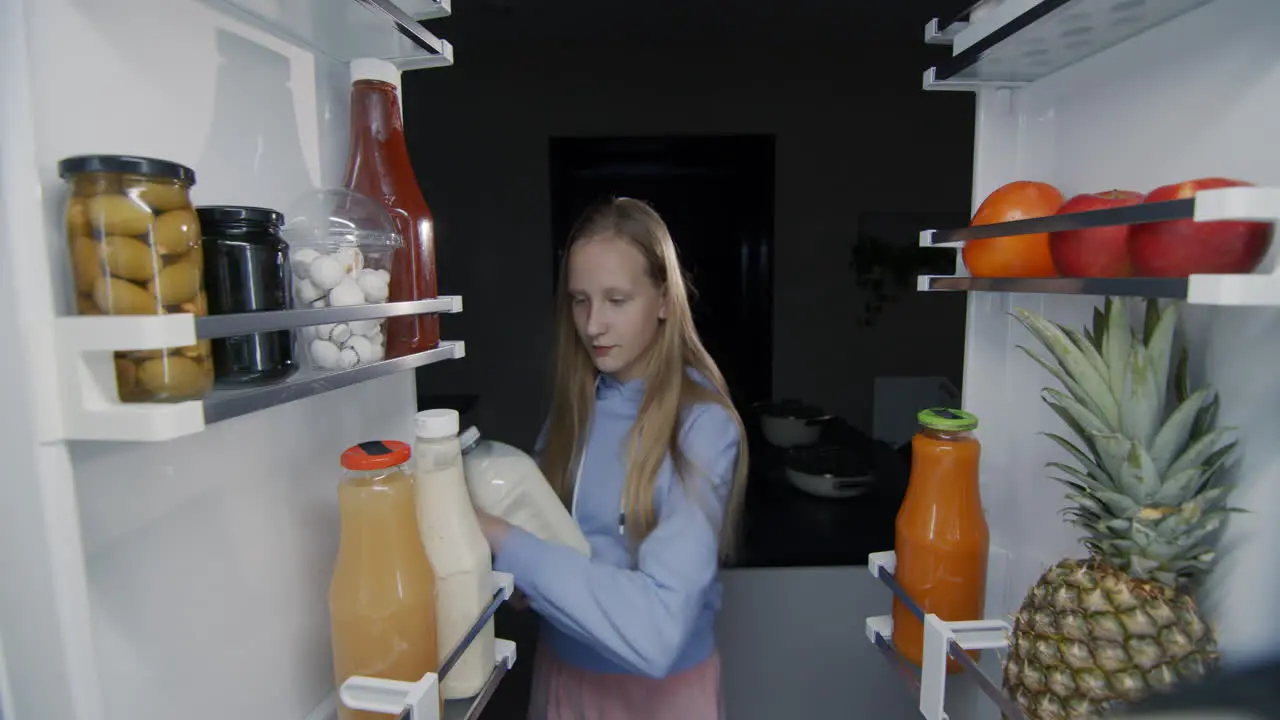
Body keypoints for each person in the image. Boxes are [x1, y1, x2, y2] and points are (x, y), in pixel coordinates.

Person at [474, 197, 749, 719]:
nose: (593, 325)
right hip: (561, 680)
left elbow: (657, 631)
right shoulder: (573, 412)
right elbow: (546, 547)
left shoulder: (703, 427)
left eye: (617, 300)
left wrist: (503, 540)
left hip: (661, 701)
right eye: (580, 301)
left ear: (664, 300)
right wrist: (521, 584)